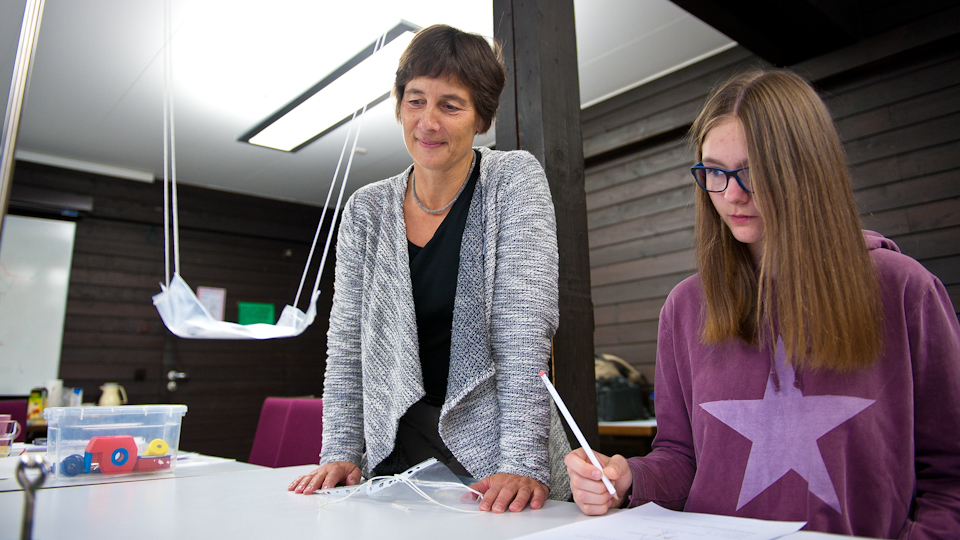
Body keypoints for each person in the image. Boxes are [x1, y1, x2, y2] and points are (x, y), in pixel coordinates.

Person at [566, 69, 960, 538]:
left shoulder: (903, 289)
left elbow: (950, 476)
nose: (732, 194)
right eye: (714, 171)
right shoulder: (685, 307)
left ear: (807, 168)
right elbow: (681, 458)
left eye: (754, 171)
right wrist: (629, 478)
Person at [289, 24, 570, 512]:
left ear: (481, 116)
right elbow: (348, 343)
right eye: (415, 100)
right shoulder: (365, 209)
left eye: (451, 105)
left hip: (497, 450)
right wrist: (339, 449)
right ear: (399, 105)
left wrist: (523, 461)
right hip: (397, 452)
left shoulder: (512, 181)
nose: (428, 122)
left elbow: (524, 331)